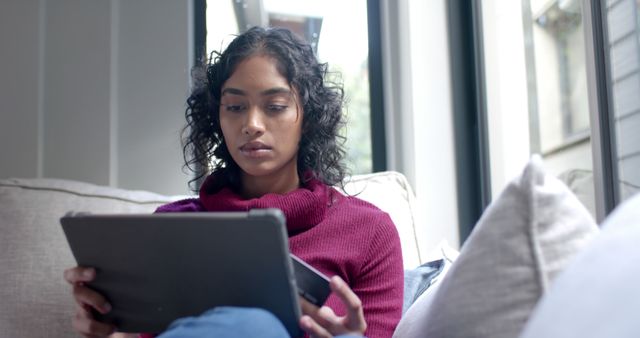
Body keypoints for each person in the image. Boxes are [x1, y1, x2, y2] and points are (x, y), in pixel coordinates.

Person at [63, 26, 404, 338]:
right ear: (217, 118)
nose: (252, 124)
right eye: (236, 106)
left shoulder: (369, 231)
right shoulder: (171, 227)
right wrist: (109, 331)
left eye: (275, 106)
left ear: (309, 119)